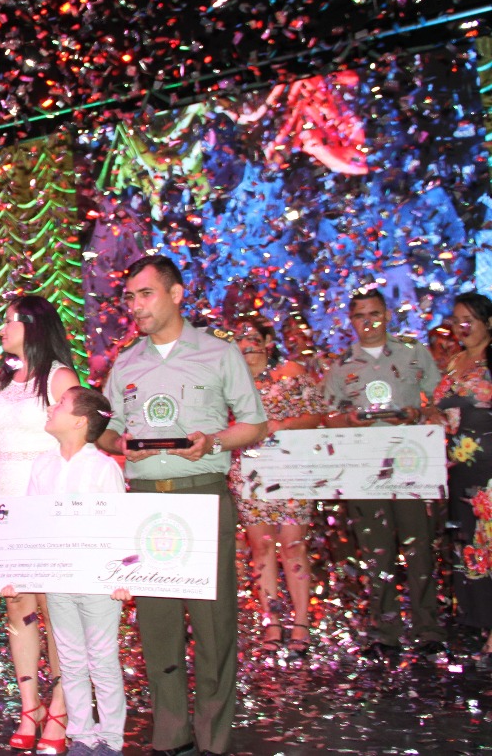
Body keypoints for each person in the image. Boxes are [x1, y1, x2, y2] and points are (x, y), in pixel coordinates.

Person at [98, 255, 267, 756]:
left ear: (175, 294)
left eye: (145, 294)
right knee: (158, 624)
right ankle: (171, 735)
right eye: (130, 297)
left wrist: (214, 441)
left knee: (214, 624)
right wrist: (118, 444)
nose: (135, 306)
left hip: (203, 494)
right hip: (147, 502)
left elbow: (254, 424)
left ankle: (213, 739)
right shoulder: (127, 362)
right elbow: (105, 430)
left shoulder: (219, 353)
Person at [0, 294, 79, 750]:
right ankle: (28, 707)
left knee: (56, 610)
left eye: (9, 321)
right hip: (6, 507)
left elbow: (75, 447)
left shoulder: (60, 378)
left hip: (47, 506)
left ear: (33, 325)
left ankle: (61, 709)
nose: (2, 329)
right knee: (17, 605)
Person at [4, 386, 130, 756]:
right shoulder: (43, 465)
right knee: (71, 660)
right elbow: (31, 524)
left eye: (60, 404)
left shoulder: (104, 468)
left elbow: (120, 525)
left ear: (79, 421)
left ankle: (111, 739)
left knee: (102, 659)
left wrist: (123, 577)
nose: (51, 407)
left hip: (97, 583)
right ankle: (82, 735)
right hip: (58, 579)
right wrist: (19, 573)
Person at [323, 288, 446, 659]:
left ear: (387, 315)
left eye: (375, 314)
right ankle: (385, 631)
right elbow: (327, 417)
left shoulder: (412, 352)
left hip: (411, 462)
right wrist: (348, 419)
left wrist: (418, 413)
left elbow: (439, 398)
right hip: (364, 465)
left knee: (419, 546)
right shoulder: (342, 365)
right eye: (360, 316)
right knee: (375, 550)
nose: (369, 322)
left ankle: (428, 629)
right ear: (351, 320)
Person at [227, 317, 324, 656]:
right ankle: (272, 621)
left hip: (293, 468)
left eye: (252, 337)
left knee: (293, 545)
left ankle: (301, 621)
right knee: (262, 547)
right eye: (239, 339)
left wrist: (283, 424)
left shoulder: (291, 372)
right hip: (249, 472)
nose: (246, 344)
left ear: (268, 340)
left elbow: (316, 415)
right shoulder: (230, 380)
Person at [431, 292, 492, 662]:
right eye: (456, 320)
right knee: (469, 547)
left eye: (469, 319)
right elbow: (441, 410)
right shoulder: (454, 361)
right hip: (458, 471)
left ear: (489, 322)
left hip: (489, 470)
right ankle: (480, 623)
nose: (461, 327)